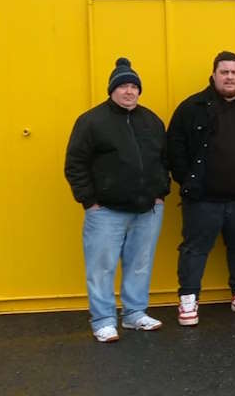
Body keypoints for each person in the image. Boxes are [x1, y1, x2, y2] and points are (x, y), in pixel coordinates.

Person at [64, 57, 170, 342]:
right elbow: (75, 163)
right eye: (123, 86)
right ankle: (103, 320)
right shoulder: (91, 122)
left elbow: (164, 159)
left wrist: (160, 194)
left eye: (134, 86)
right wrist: (89, 200)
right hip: (105, 211)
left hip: (147, 209)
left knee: (139, 263)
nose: (129, 91)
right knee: (101, 267)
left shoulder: (151, 121)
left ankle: (135, 314)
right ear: (112, 90)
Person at [167, 51, 235, 325]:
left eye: (234, 72)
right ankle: (188, 300)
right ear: (214, 75)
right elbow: (174, 148)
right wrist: (188, 181)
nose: (229, 77)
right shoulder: (192, 107)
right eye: (224, 72)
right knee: (194, 249)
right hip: (202, 199)